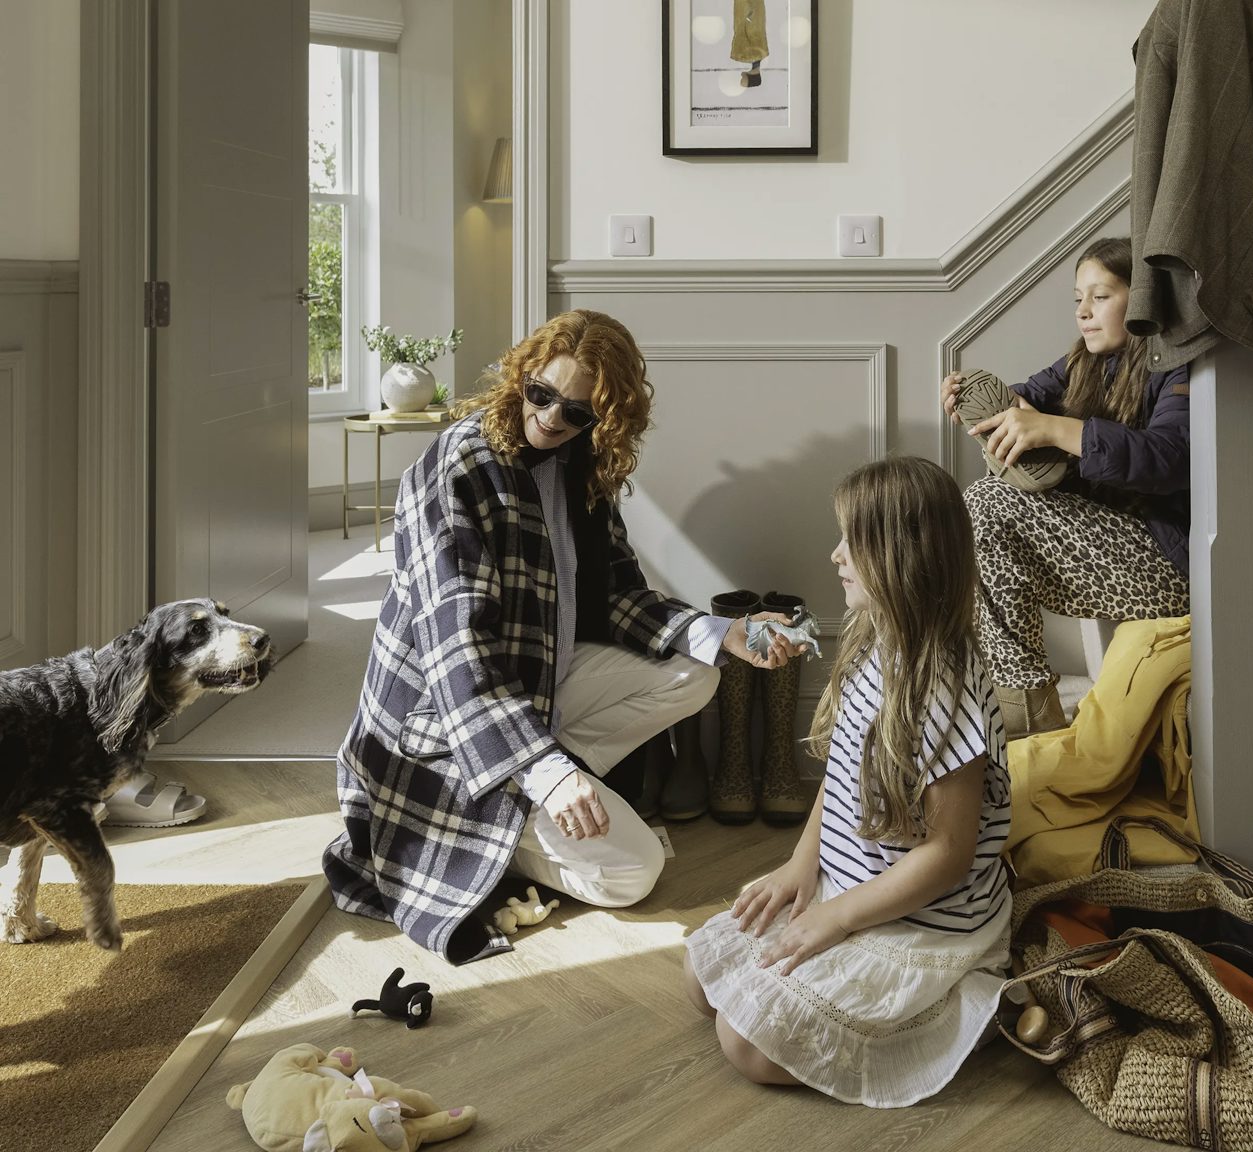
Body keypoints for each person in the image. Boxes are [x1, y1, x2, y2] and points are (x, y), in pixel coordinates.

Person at [322, 309, 800, 964]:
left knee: (700, 672)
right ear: (520, 376)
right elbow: (458, 651)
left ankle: (540, 794)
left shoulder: (579, 468)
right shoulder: (457, 470)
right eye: (540, 394)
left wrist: (724, 631)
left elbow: (621, 598)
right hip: (442, 730)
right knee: (632, 874)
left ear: (603, 421)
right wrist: (546, 773)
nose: (550, 419)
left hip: (534, 688)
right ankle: (507, 816)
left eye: (575, 413)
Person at [683, 457, 1011, 1108]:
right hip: (850, 884)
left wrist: (836, 918)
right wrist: (800, 869)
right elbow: (839, 781)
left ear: (899, 556)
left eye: (850, 544)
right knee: (699, 975)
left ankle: (970, 1014)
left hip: (924, 921)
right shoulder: (873, 640)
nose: (834, 556)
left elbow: (948, 857)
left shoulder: (944, 688)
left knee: (744, 1042)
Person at [941, 236, 1190, 738]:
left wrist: (1058, 430)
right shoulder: (1085, 361)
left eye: (1100, 296)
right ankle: (1019, 704)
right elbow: (1024, 397)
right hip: (1111, 545)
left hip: (1167, 563)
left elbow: (1170, 459)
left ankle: (1026, 717)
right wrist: (973, 398)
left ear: (1141, 299)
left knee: (987, 507)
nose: (1083, 311)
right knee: (983, 519)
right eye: (1078, 299)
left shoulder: (1179, 362)